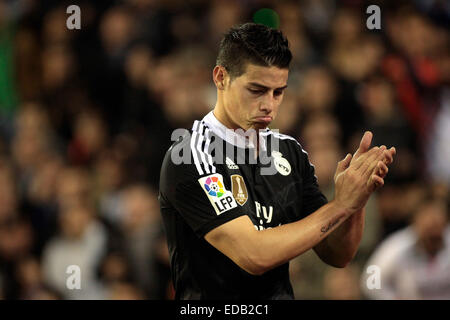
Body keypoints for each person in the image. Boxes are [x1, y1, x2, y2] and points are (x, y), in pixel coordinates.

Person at [158, 23, 396, 299]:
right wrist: (338, 206)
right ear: (221, 77)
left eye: (278, 92)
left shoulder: (290, 152)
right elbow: (253, 255)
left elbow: (337, 254)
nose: (269, 105)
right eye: (256, 90)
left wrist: (355, 200)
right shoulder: (191, 155)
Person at [361, 196, 450, 300]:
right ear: (415, 221)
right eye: (428, 224)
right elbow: (369, 281)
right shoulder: (396, 246)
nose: (433, 231)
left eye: (436, 223)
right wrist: (392, 298)